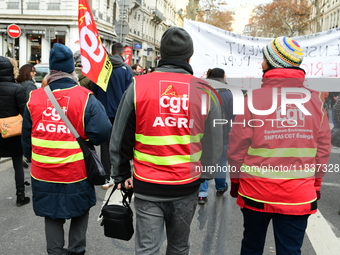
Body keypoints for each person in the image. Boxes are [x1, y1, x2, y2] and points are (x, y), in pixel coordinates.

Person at [110, 26, 223, 255]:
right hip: (186, 184)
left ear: (160, 55)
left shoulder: (139, 85)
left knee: (147, 249)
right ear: (189, 56)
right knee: (179, 247)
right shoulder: (206, 91)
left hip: (147, 184)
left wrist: (121, 173)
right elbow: (214, 141)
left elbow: (120, 135)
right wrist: (206, 174)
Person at [227, 37, 331, 255]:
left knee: (251, 246)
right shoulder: (315, 101)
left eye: (264, 59)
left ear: (273, 63)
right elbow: (322, 150)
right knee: (290, 250)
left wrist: (236, 183)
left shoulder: (254, 98)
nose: (261, 63)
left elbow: (237, 147)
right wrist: (317, 184)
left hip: (256, 192)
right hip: (298, 195)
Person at [21, 43, 112, 255]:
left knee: (52, 216)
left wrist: (29, 157)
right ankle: (76, 250)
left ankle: (55, 252)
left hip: (44, 172)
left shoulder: (34, 98)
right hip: (76, 172)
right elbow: (103, 132)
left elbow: (27, 138)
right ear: (72, 69)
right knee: (80, 211)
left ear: (52, 70)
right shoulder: (84, 96)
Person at [92, 42, 133, 189]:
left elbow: (94, 88)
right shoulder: (126, 69)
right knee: (121, 142)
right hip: (121, 113)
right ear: (123, 54)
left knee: (105, 145)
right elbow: (130, 92)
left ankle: (106, 176)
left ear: (111, 52)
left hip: (102, 112)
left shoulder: (103, 68)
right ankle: (120, 175)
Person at [198, 67, 233, 204]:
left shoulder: (201, 90)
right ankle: (220, 187)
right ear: (223, 77)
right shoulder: (229, 93)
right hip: (223, 133)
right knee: (222, 161)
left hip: (203, 133)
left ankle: (202, 193)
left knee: (204, 160)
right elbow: (234, 115)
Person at [0, 56, 30, 207]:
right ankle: (20, 196)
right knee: (18, 164)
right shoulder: (17, 89)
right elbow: (24, 113)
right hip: (13, 133)